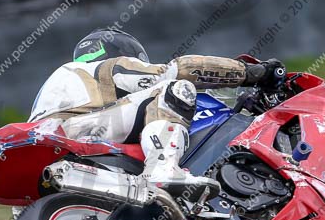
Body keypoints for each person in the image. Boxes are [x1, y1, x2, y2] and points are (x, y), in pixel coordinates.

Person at [29, 28, 284, 192]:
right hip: (78, 130)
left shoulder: (64, 81)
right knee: (175, 88)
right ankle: (163, 167)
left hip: (45, 152)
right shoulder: (107, 67)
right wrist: (251, 73)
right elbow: (177, 70)